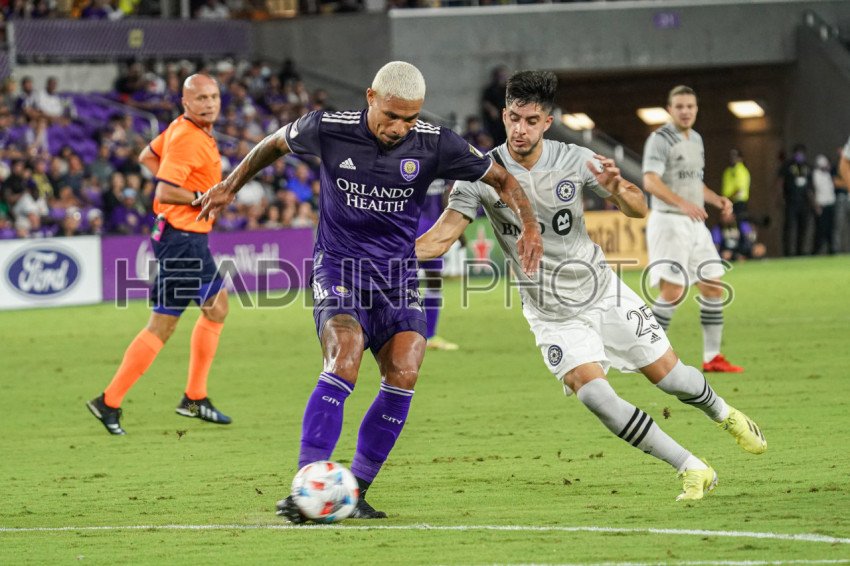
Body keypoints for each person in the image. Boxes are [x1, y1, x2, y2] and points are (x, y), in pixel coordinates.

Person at [195, 61, 543, 520]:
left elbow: (503, 178)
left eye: (410, 118)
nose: (399, 128)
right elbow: (274, 143)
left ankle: (353, 492)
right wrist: (229, 185)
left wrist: (530, 226)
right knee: (344, 355)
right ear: (370, 97)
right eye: (391, 116)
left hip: (397, 276)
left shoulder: (436, 142)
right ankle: (306, 489)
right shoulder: (328, 128)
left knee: (405, 370)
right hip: (339, 268)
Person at [416, 70, 766, 502]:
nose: (520, 129)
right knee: (596, 396)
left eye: (531, 120)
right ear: (503, 116)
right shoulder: (480, 174)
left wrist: (617, 189)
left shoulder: (575, 158)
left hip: (603, 293)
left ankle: (724, 414)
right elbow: (441, 237)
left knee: (673, 379)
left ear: (547, 122)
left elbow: (638, 208)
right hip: (551, 313)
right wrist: (384, 256)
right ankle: (691, 467)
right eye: (513, 118)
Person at [86, 74, 232, 435]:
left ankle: (193, 398)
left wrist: (195, 194)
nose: (209, 103)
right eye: (201, 98)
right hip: (182, 239)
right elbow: (165, 191)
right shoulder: (188, 137)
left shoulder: (183, 128)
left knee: (215, 307)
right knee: (165, 324)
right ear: (186, 102)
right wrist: (202, 197)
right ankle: (111, 401)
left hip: (184, 237)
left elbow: (147, 156)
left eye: (213, 97)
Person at [642, 86, 743, 373]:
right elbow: (650, 181)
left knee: (712, 285)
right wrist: (682, 203)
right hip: (670, 221)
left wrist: (715, 199)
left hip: (694, 222)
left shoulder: (696, 139)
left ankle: (712, 357)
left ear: (696, 109)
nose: (685, 111)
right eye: (679, 106)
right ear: (669, 110)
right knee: (673, 291)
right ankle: (644, 354)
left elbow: (693, 182)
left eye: (690, 106)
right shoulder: (660, 139)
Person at [418, 178, 459, 351]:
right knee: (433, 282)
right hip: (431, 228)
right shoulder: (444, 167)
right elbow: (449, 200)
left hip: (417, 227)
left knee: (404, 283)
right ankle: (427, 335)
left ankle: (423, 335)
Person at [777, 144, 813, 257]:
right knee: (789, 227)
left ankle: (800, 251)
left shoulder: (807, 167)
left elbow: (810, 187)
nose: (799, 155)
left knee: (803, 227)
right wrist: (780, 198)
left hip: (804, 202)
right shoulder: (788, 165)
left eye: (802, 153)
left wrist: (813, 202)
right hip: (791, 201)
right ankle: (788, 252)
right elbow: (780, 182)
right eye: (798, 153)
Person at [812, 154, 836, 255]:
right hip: (822, 205)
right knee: (821, 229)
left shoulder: (828, 175)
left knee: (830, 228)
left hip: (830, 204)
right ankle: (817, 249)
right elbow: (815, 190)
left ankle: (831, 249)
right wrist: (816, 205)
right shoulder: (816, 175)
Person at [721, 148, 750, 220]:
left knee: (739, 222)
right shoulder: (728, 171)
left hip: (738, 203)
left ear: (740, 158)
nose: (732, 158)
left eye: (735, 155)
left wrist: (730, 198)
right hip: (727, 202)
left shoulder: (741, 170)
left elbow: (740, 189)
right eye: (731, 155)